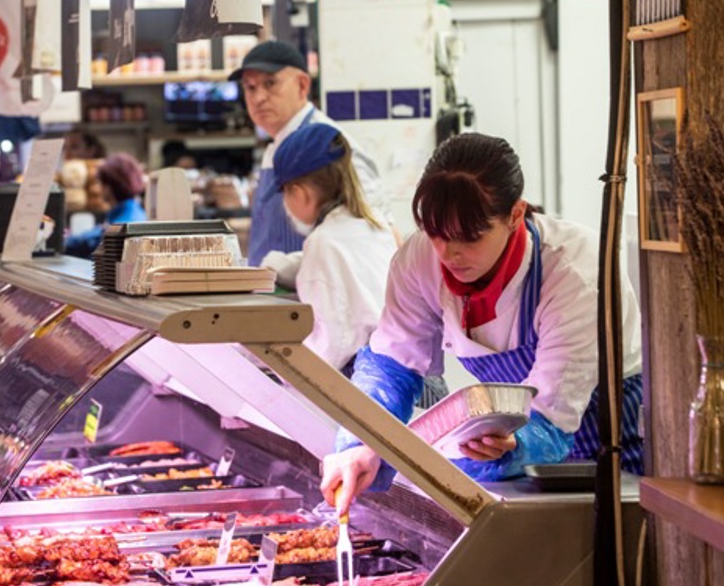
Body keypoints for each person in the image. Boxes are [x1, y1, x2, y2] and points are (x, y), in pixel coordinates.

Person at [319, 132, 644, 512]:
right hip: (510, 445)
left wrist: (517, 445)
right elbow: (391, 369)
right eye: (437, 234)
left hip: (605, 442)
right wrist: (361, 443)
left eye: (469, 237)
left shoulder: (576, 272)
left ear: (515, 215)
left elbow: (550, 421)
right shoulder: (421, 259)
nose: (449, 254)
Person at [229, 40, 395, 268]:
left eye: (270, 83)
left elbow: (375, 233)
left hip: (313, 298)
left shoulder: (332, 146)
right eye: (250, 87)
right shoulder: (275, 146)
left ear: (303, 85)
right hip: (275, 298)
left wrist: (282, 268)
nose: (258, 97)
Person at [269, 123, 397, 372]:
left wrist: (288, 377)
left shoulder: (323, 242)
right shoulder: (376, 226)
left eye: (284, 193)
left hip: (373, 382)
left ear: (300, 193)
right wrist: (274, 266)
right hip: (418, 380)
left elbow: (332, 346)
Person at [64, 153, 147, 258]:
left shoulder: (124, 223)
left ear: (109, 186)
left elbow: (94, 240)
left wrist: (64, 241)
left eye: (100, 183)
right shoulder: (133, 211)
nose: (98, 189)